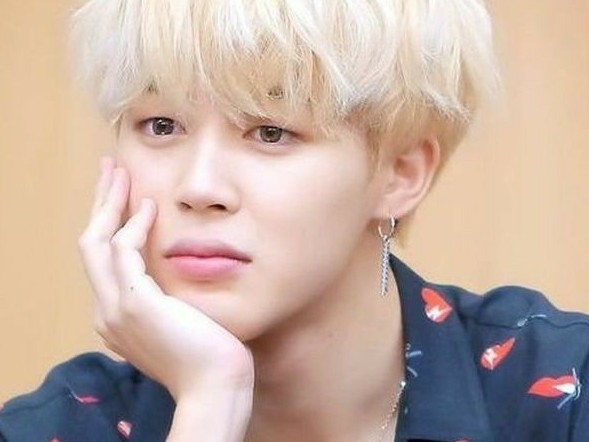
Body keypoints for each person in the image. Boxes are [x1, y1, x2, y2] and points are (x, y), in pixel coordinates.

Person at [1, 0, 588, 441]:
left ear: (400, 174)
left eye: (270, 132)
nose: (199, 188)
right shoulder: (57, 427)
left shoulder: (561, 390)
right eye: (161, 125)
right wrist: (209, 404)